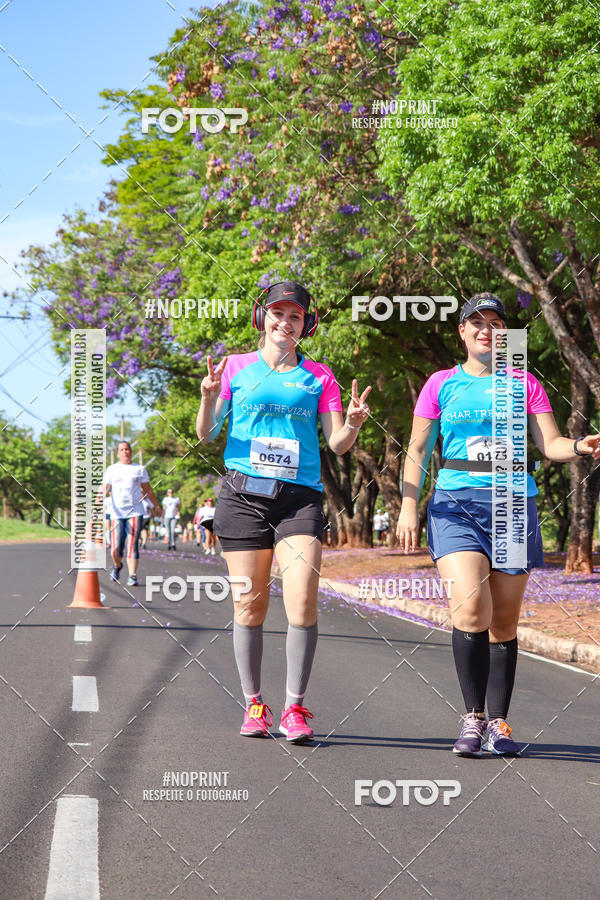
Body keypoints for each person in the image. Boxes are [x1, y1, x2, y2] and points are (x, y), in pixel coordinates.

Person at [397, 293, 600, 757]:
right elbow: (417, 448)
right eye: (477, 322)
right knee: (471, 608)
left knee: (503, 622)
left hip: (513, 504)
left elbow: (550, 444)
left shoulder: (524, 382)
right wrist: (409, 505)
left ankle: (499, 722)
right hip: (456, 503)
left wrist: (580, 447)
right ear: (462, 331)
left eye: (495, 323)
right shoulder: (440, 384)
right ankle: (473, 717)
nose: (486, 330)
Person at [197, 280, 371, 743]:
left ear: (306, 325)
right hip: (242, 498)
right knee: (248, 605)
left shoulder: (319, 377)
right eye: (278, 313)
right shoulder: (235, 368)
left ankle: (295, 708)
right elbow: (207, 435)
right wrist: (209, 398)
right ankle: (254, 704)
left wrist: (353, 424)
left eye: (295, 316)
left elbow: (337, 444)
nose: (285, 323)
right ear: (263, 317)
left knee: (302, 599)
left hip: (298, 500)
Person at [102, 441, 161, 586]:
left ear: (131, 451)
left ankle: (132, 575)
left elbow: (147, 489)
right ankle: (117, 565)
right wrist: (98, 500)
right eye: (122, 450)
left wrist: (156, 505)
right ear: (118, 453)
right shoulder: (111, 469)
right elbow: (105, 487)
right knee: (116, 548)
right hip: (117, 513)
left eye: (127, 449)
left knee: (132, 543)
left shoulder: (139, 469)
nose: (125, 452)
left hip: (135, 511)